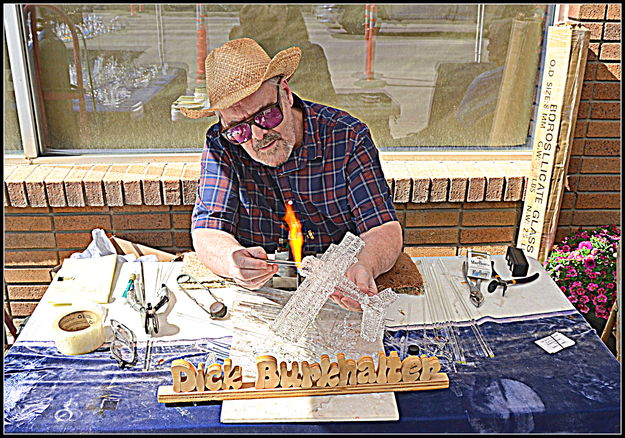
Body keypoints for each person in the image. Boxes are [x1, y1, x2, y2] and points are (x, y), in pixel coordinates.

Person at [181, 38, 402, 312]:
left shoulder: (347, 136)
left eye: (266, 115)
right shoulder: (222, 144)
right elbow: (208, 229)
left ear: (285, 93)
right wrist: (231, 260)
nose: (259, 135)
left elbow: (383, 228)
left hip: (339, 291)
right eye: (239, 129)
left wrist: (365, 264)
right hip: (260, 295)